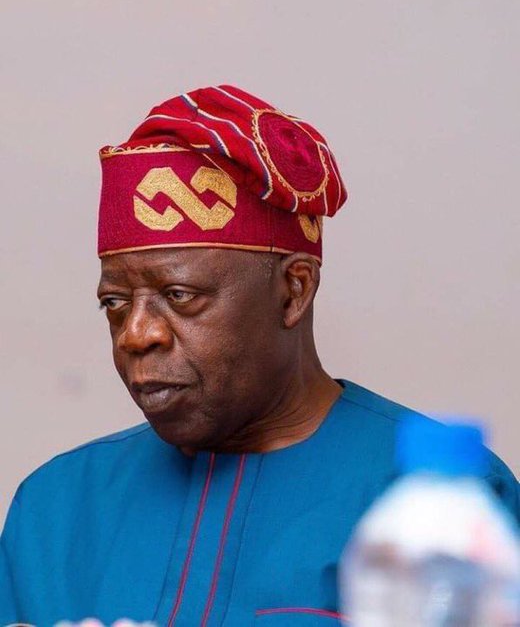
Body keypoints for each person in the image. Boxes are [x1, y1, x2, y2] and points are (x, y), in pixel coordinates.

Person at [1, 85, 518, 627]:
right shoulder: (56, 508)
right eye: (115, 302)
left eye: (180, 296)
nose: (136, 334)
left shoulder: (442, 508)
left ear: (294, 291)